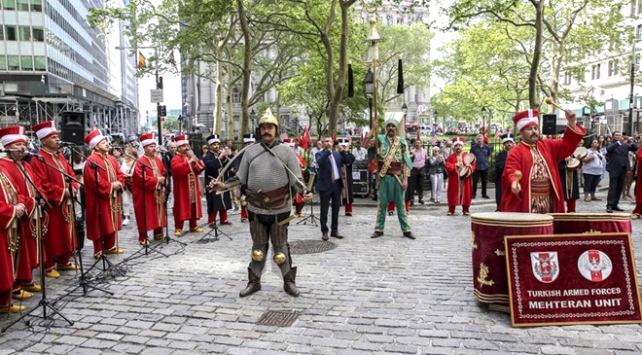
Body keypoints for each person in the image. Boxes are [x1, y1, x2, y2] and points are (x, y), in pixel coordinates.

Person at [209, 108, 312, 297]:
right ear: (259, 130)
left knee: (280, 248)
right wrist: (222, 187)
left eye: (270, 127)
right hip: (256, 207)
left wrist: (304, 192)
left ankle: (289, 281)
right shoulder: (250, 151)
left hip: (280, 207)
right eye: (263, 127)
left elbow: (296, 180)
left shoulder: (286, 152)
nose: (266, 130)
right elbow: (240, 178)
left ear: (276, 129)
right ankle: (254, 281)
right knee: (258, 247)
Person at [501, 109, 586, 213]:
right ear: (521, 132)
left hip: (548, 200)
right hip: (528, 200)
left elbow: (567, 144)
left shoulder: (548, 145)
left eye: (536, 128)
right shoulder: (516, 151)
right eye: (529, 129)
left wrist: (572, 122)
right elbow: (511, 169)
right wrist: (514, 182)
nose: (534, 131)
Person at [30, 121, 80, 278]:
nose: (57, 140)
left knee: (67, 231)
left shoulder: (60, 157)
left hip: (66, 202)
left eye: (57, 137)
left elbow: (71, 174)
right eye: (53, 137)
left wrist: (73, 187)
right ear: (44, 140)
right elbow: (42, 183)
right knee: (52, 235)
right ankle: (49, 265)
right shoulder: (39, 159)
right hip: (52, 205)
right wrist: (61, 192)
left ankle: (64, 261)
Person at [0, 126, 40, 300]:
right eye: (19, 145)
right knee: (15, 254)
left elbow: (21, 189)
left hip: (23, 212)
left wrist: (32, 200)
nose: (24, 148)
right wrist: (18, 207)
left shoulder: (24, 164)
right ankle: (13, 287)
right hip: (13, 217)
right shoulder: (4, 166)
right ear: (8, 147)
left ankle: (25, 279)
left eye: (24, 144)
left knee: (28, 250)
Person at [364, 116, 415, 239]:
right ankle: (379, 229)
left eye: (393, 126)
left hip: (398, 177)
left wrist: (406, 179)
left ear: (396, 129)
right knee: (382, 204)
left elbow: (406, 162)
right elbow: (365, 145)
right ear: (386, 128)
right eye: (389, 126)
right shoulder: (379, 139)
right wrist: (373, 129)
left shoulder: (402, 142)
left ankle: (406, 230)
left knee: (401, 205)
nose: (391, 128)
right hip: (384, 177)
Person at [83, 129, 126, 258]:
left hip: (112, 197)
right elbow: (93, 180)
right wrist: (111, 185)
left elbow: (120, 173)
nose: (106, 144)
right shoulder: (92, 160)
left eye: (106, 142)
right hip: (99, 198)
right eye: (103, 142)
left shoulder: (111, 159)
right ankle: (98, 249)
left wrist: (120, 182)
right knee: (100, 222)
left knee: (111, 221)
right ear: (96, 146)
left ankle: (110, 246)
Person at [132, 133, 167, 244]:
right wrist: (157, 180)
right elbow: (140, 178)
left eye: (154, 146)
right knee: (145, 214)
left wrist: (163, 180)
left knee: (158, 212)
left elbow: (164, 172)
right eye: (151, 146)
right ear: (145, 148)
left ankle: (158, 233)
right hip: (145, 194)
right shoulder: (140, 162)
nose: (153, 148)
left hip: (157, 192)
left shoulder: (158, 160)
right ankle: (143, 237)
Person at [0, 170, 26, 314]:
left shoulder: (3, 172)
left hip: (7, 225)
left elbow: (15, 190)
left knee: (7, 264)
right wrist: (11, 210)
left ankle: (5, 302)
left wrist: (20, 204)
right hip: (3, 222)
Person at [171, 134, 205, 236]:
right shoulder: (175, 159)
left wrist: (195, 162)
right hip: (182, 188)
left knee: (193, 205)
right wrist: (188, 163)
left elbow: (199, 170)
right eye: (184, 146)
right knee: (180, 206)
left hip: (193, 187)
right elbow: (177, 170)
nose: (186, 148)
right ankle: (178, 228)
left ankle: (193, 225)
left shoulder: (191, 157)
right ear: (179, 147)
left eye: (187, 145)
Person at [315, 136, 346, 240]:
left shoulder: (337, 154)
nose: (328, 143)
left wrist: (343, 151)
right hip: (325, 185)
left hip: (336, 184)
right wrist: (327, 151)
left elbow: (348, 161)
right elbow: (319, 162)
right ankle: (324, 231)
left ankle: (334, 230)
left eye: (330, 141)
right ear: (323, 143)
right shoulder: (319, 153)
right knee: (324, 209)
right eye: (326, 141)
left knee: (336, 209)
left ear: (333, 143)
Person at [203, 134, 232, 227]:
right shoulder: (207, 156)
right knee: (213, 202)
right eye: (214, 144)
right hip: (212, 182)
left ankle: (224, 219)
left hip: (223, 181)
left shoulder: (221, 155)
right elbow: (209, 167)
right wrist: (219, 158)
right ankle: (211, 221)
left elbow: (226, 167)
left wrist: (226, 159)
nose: (217, 146)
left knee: (224, 200)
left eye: (218, 144)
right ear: (210, 146)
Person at [606, 132, 638, 213]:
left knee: (619, 187)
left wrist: (631, 140)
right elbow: (608, 149)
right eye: (616, 135)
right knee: (613, 187)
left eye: (620, 135)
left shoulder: (624, 145)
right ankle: (609, 205)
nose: (618, 136)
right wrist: (618, 142)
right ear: (613, 137)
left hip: (623, 168)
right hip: (614, 168)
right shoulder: (610, 144)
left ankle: (615, 204)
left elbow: (635, 148)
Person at [445, 137, 476, 216]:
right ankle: (451, 209)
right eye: (456, 146)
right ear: (454, 147)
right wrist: (455, 165)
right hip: (455, 179)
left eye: (460, 146)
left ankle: (466, 209)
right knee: (453, 194)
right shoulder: (451, 157)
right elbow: (447, 166)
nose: (458, 147)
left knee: (466, 194)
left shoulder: (466, 155)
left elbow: (473, 164)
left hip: (465, 179)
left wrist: (468, 168)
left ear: (462, 147)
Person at [237, 133, 256, 223]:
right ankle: (244, 215)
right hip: (245, 180)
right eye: (249, 143)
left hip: (255, 180)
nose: (250, 145)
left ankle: (253, 214)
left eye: (252, 143)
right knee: (244, 197)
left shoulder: (258, 154)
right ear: (245, 144)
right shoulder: (241, 155)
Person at [494, 134, 515, 211]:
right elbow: (498, 165)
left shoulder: (515, 153)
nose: (509, 144)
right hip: (502, 178)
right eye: (507, 142)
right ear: (504, 144)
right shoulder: (500, 155)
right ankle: (500, 207)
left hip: (513, 178)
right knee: (501, 192)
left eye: (510, 142)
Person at [558, 145, 580, 213]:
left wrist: (578, 160)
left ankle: (572, 210)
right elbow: (555, 162)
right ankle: (560, 211)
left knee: (572, 194)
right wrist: (564, 160)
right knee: (561, 193)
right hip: (562, 175)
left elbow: (578, 165)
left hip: (572, 175)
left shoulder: (575, 152)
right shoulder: (559, 151)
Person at [119, 147, 138, 226]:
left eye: (127, 154)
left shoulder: (136, 162)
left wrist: (129, 175)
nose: (126, 155)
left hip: (134, 183)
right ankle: (126, 217)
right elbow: (120, 171)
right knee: (125, 201)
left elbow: (138, 174)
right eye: (125, 153)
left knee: (135, 201)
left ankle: (138, 215)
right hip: (125, 183)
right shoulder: (124, 162)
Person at [338, 138, 356, 216]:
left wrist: (344, 152)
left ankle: (348, 210)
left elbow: (348, 161)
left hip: (347, 177)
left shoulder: (351, 156)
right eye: (342, 146)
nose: (343, 147)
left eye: (345, 146)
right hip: (338, 176)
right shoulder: (337, 154)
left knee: (348, 194)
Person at [470, 134, 491, 199]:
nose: (479, 140)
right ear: (476, 140)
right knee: (475, 181)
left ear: (483, 139)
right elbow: (471, 156)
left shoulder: (487, 147)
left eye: (480, 138)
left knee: (484, 181)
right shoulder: (473, 147)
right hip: (476, 166)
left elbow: (488, 154)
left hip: (484, 166)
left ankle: (484, 194)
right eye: (478, 139)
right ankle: (473, 194)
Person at [409, 140, 428, 205]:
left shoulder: (424, 151)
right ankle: (411, 198)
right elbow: (410, 160)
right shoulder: (412, 151)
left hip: (421, 168)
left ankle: (420, 198)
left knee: (421, 184)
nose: (417, 144)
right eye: (416, 143)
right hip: (414, 169)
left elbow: (426, 159)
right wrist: (412, 156)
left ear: (421, 144)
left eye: (419, 143)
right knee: (412, 184)